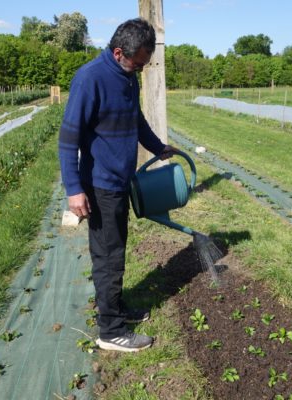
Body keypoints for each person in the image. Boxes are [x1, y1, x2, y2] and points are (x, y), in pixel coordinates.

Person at [58, 18, 176, 352]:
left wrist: (158, 147)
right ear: (119, 52)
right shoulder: (90, 79)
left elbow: (135, 120)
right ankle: (110, 332)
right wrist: (73, 189)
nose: (140, 70)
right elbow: (68, 140)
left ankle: (116, 309)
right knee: (108, 256)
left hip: (121, 181)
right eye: (138, 64)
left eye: (144, 65)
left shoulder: (127, 79)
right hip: (99, 185)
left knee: (116, 250)